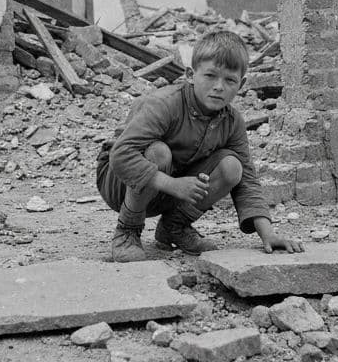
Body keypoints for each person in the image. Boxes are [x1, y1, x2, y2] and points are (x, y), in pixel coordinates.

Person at [95, 29, 305, 263]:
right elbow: (121, 155)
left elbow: (246, 179)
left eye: (229, 80)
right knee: (158, 152)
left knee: (232, 167)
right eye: (210, 76)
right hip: (120, 183)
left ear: (242, 84)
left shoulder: (232, 121)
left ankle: (174, 227)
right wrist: (172, 184)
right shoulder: (164, 104)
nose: (219, 87)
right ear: (190, 75)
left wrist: (268, 234)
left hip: (172, 187)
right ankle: (127, 231)